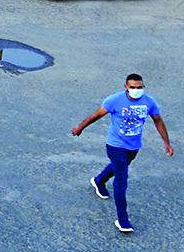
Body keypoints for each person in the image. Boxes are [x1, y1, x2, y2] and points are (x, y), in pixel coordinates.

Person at [73, 73, 173, 234]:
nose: (136, 90)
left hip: (134, 146)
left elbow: (158, 121)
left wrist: (166, 143)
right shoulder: (114, 100)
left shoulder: (149, 101)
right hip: (116, 145)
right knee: (121, 180)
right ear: (126, 87)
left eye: (139, 87)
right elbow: (96, 116)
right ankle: (123, 219)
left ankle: (99, 180)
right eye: (132, 87)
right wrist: (80, 128)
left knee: (120, 166)